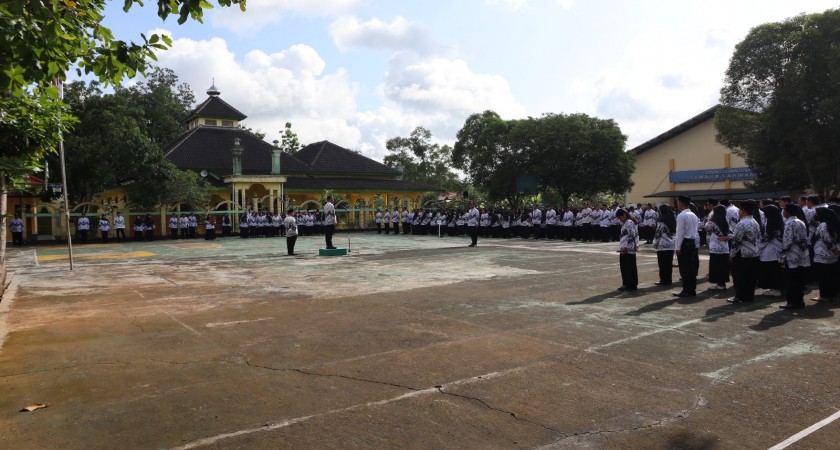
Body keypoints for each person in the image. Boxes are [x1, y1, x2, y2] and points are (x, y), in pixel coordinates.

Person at [724, 201, 760, 303]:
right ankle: (749, 296)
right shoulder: (755, 222)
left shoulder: (741, 223)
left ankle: (739, 296)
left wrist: (731, 254)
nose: (738, 212)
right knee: (750, 277)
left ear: (743, 211)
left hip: (742, 253)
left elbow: (736, 241)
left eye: (740, 210)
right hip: (754, 252)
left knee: (739, 276)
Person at [779, 204, 810, 309]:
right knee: (799, 279)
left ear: (788, 211)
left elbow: (787, 241)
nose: (783, 212)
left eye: (784, 210)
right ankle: (799, 301)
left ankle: (792, 302)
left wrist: (782, 256)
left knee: (790, 280)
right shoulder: (801, 222)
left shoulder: (789, 223)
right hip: (801, 253)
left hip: (792, 255)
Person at [811, 207, 840, 302]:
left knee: (823, 276)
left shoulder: (823, 225)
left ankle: (824, 295)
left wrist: (833, 249)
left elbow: (825, 238)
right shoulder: (832, 223)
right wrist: (835, 249)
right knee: (830, 275)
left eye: (817, 213)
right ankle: (830, 293)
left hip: (822, 253)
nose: (815, 215)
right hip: (831, 255)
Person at [674, 195, 699, 297]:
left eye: (678, 202)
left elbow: (680, 233)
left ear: (681, 203)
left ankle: (686, 290)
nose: (677, 204)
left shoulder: (681, 215)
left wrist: (677, 247)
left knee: (684, 268)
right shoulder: (693, 215)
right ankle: (692, 289)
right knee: (691, 267)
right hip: (692, 242)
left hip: (684, 243)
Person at [757, 205, 784, 297]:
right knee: (777, 270)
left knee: (771, 270)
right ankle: (777, 288)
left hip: (770, 250)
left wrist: (759, 247)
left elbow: (766, 237)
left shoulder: (768, 222)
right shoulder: (780, 221)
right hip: (779, 249)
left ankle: (775, 289)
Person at [705, 205, 731, 290]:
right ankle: (722, 284)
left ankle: (719, 285)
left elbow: (706, 226)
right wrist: (726, 237)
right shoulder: (726, 221)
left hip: (715, 248)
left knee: (716, 266)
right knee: (723, 266)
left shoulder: (712, 222)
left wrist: (710, 218)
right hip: (724, 248)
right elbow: (730, 233)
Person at [653, 205, 676, 286]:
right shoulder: (672, 219)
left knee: (662, 264)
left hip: (662, 245)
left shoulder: (661, 220)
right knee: (669, 264)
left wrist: (655, 242)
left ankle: (663, 280)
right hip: (671, 244)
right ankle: (669, 280)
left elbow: (658, 232)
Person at [616, 208, 638, 291]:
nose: (620, 219)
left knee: (627, 267)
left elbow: (632, 235)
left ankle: (629, 284)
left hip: (627, 249)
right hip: (625, 248)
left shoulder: (629, 222)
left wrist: (626, 247)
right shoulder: (626, 223)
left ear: (624, 215)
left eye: (620, 217)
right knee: (627, 267)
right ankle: (629, 284)